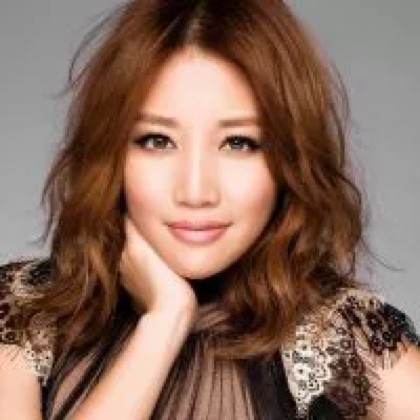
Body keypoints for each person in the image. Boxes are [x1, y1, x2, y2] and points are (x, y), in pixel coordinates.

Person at [0, 0, 419, 418]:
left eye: (239, 143)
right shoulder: (23, 316)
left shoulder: (347, 339)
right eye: (157, 140)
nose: (196, 191)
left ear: (290, 160)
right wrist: (164, 321)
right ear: (109, 153)